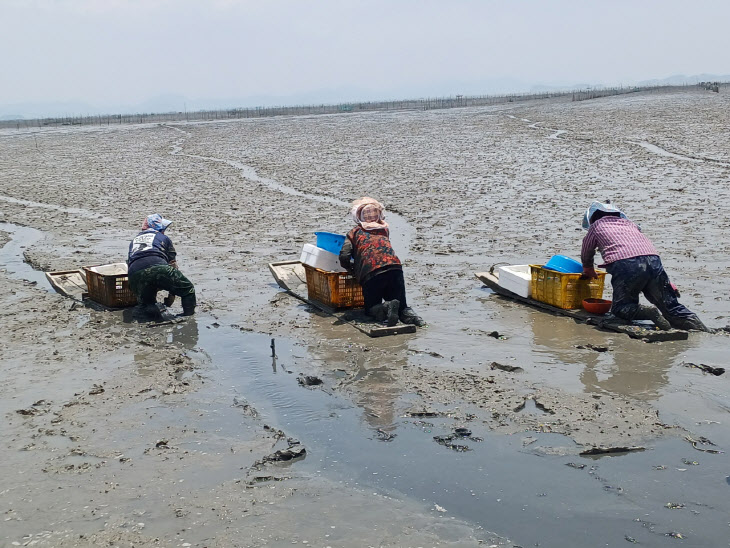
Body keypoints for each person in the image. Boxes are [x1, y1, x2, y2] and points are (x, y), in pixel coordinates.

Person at [580, 201, 707, 331]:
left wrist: (588, 268)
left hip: (627, 264)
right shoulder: (631, 225)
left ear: (592, 219)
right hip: (653, 260)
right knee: (671, 307)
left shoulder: (596, 226)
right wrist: (666, 284)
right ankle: (705, 331)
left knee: (620, 309)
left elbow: (587, 250)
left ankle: (648, 312)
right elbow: (643, 254)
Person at [339, 197, 425, 327]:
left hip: (372, 272)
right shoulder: (384, 229)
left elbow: (344, 256)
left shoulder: (354, 233)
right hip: (395, 268)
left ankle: (386, 307)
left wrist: (352, 270)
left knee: (371, 309)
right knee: (402, 306)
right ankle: (417, 320)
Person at [127, 213, 196, 317]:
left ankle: (148, 310)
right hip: (158, 267)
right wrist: (172, 294)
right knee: (187, 289)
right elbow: (172, 265)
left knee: (147, 303)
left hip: (134, 274)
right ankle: (188, 317)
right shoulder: (163, 238)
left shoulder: (134, 241)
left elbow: (130, 261)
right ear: (158, 228)